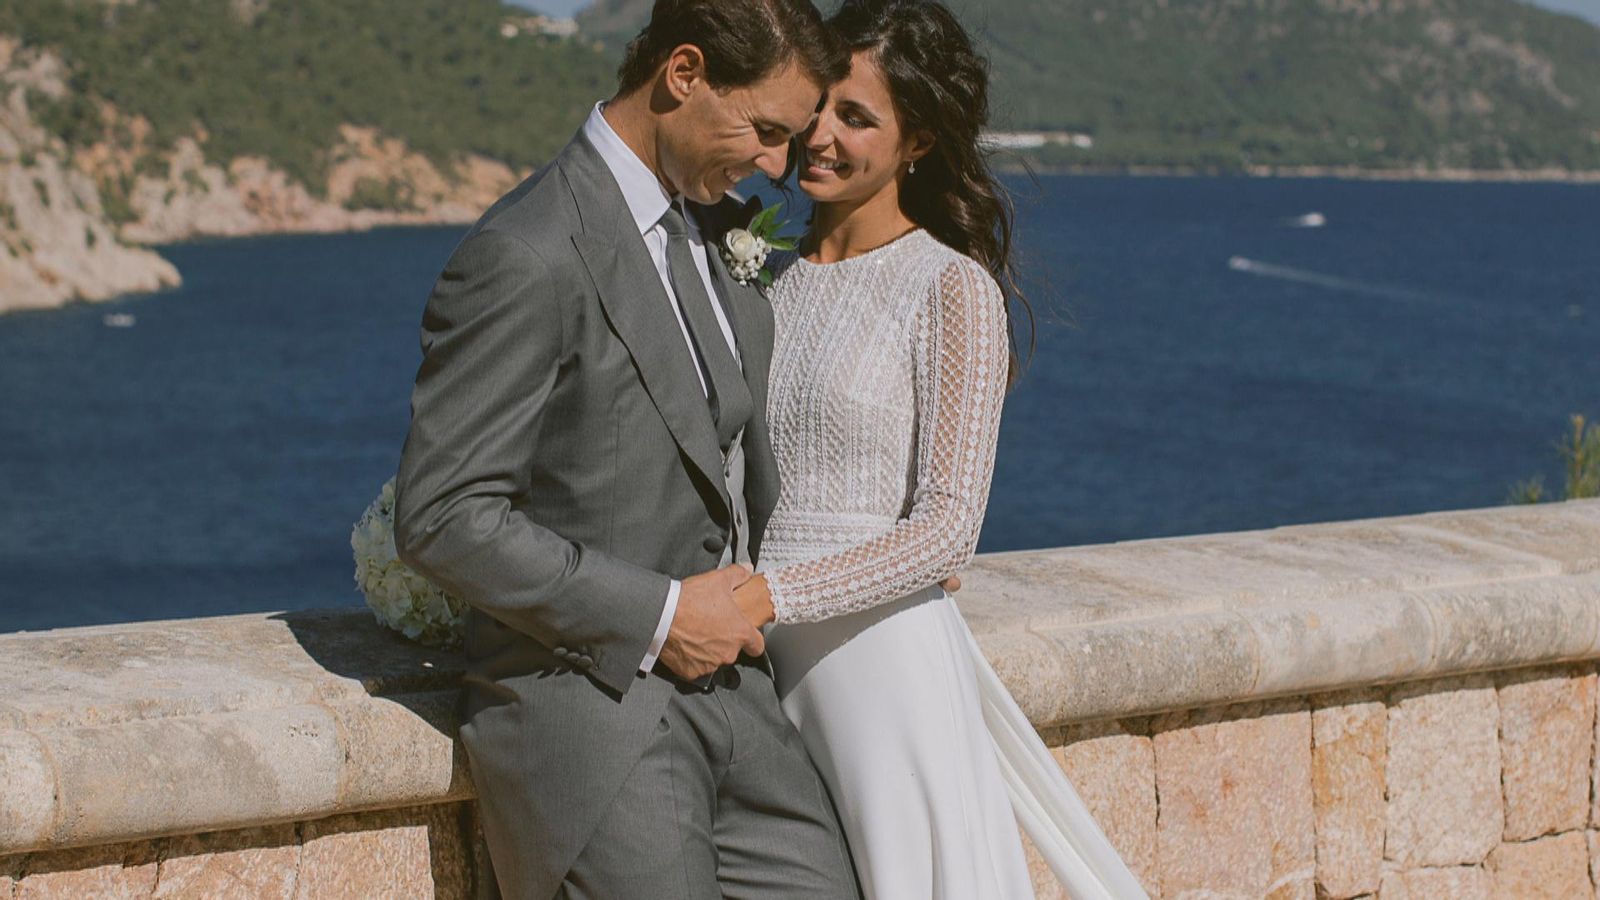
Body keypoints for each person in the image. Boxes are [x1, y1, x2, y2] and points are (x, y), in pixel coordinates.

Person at [391, 2, 863, 897]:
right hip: (594, 723)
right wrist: (660, 619)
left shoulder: (719, 231)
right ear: (682, 74)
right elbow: (445, 515)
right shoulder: (526, 253)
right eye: (764, 131)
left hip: (745, 712)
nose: (776, 166)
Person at [731, 1, 1151, 897]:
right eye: (818, 108)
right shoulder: (761, 274)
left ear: (917, 140)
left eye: (857, 116)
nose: (820, 136)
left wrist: (773, 592)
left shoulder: (949, 289)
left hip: (875, 666)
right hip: (757, 662)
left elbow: (949, 531)